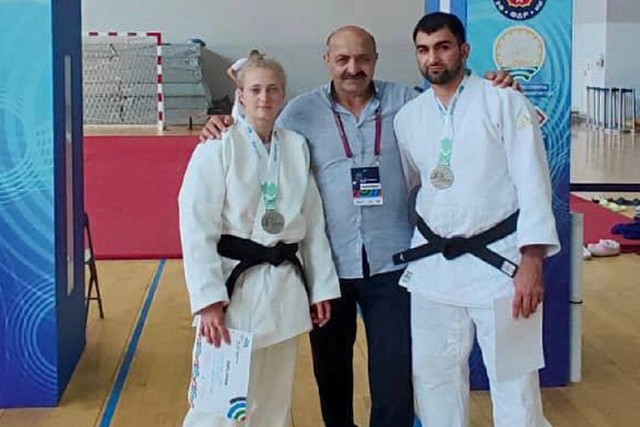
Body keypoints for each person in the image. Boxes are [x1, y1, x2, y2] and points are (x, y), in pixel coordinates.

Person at [200, 26, 515, 427]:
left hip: (394, 263)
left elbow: (458, 106)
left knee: (395, 374)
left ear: (375, 60)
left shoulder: (409, 103)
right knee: (331, 372)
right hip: (329, 267)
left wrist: (497, 88)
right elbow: (259, 131)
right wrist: (223, 122)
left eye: (363, 58)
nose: (353, 68)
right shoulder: (300, 112)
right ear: (327, 61)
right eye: (343, 59)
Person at [393, 12, 560, 426]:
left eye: (443, 47)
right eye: (423, 49)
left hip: (502, 266)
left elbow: (534, 183)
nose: (433, 58)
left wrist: (533, 260)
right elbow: (416, 185)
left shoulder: (505, 101)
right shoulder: (408, 117)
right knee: (433, 379)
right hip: (434, 268)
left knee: (516, 382)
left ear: (464, 50)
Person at [179, 54, 341, 427]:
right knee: (217, 406)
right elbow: (196, 225)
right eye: (255, 90)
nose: (264, 98)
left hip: (284, 287)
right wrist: (208, 301)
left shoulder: (295, 145)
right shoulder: (219, 144)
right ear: (241, 95)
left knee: (273, 403)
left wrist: (320, 288)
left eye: (272, 90)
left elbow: (312, 222)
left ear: (283, 95)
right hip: (233, 291)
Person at [227, 49, 261, 119]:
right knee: (239, 107)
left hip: (252, 86)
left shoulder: (259, 65)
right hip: (243, 87)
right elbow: (230, 71)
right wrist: (238, 81)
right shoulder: (243, 62)